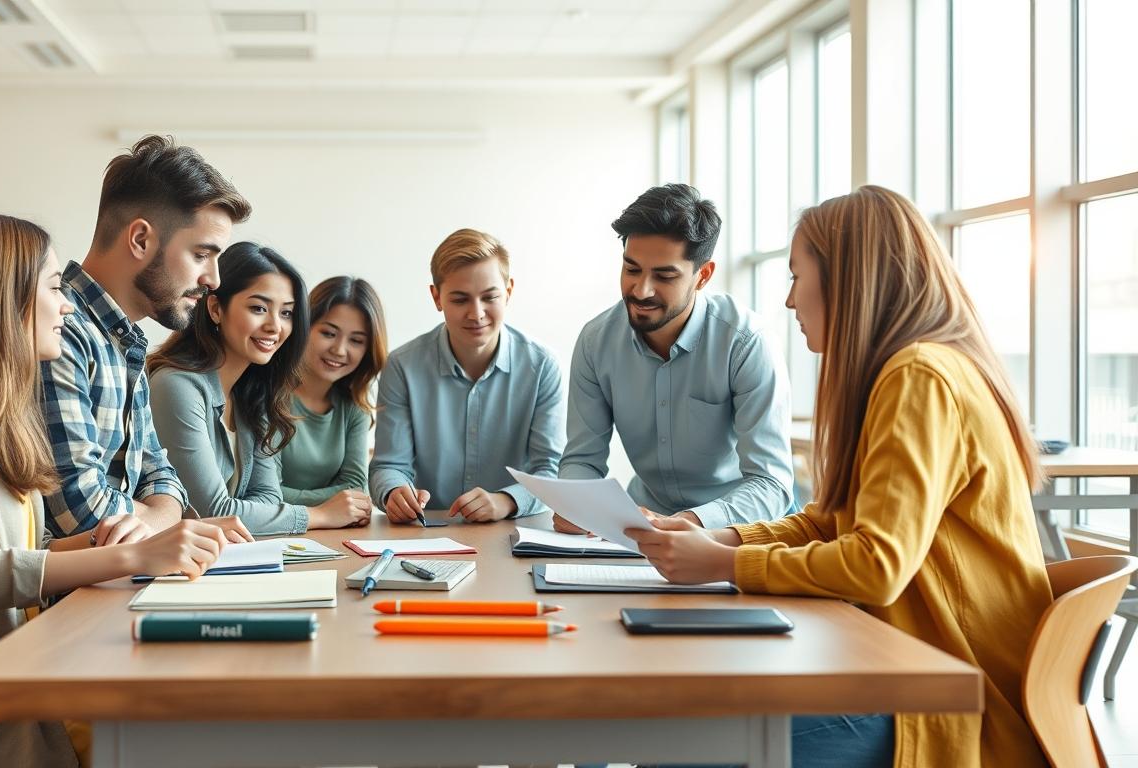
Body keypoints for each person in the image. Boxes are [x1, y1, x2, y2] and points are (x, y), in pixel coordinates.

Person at [627, 186, 1052, 767]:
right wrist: (722, 540)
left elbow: (876, 566)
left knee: (675, 743)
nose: (788, 300)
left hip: (942, 701)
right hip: (905, 669)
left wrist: (724, 564)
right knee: (676, 722)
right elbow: (833, 524)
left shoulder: (919, 378)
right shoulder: (915, 369)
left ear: (848, 281)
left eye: (798, 277)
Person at [0, 215, 230, 767]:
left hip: (17, 677)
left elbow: (16, 555)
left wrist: (126, 541)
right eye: (55, 288)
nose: (68, 306)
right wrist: (132, 554)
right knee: (197, 732)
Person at [42, 134, 252, 545]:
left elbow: (165, 482)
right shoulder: (57, 331)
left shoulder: (125, 340)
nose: (214, 280)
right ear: (140, 239)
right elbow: (81, 513)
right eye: (201, 255)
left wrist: (161, 517)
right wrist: (165, 520)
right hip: (74, 600)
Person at [556, 183, 792, 533]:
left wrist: (688, 522)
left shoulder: (747, 344)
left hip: (734, 531)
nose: (641, 290)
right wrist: (578, 502)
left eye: (664, 276)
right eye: (632, 269)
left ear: (703, 276)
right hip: (642, 529)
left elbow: (771, 485)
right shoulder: (596, 342)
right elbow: (582, 460)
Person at [149, 243, 372, 533]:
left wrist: (266, 513)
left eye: (286, 313)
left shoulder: (254, 393)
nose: (274, 326)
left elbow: (269, 497)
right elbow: (211, 512)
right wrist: (318, 516)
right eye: (258, 308)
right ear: (216, 308)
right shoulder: (177, 385)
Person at [371, 228, 564, 523]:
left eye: (489, 297)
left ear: (509, 292)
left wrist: (507, 500)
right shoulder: (402, 366)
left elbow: (549, 470)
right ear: (437, 297)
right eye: (460, 300)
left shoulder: (542, 367)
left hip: (513, 531)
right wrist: (394, 492)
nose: (476, 314)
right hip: (427, 532)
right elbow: (388, 465)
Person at [275, 276, 388, 515]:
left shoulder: (354, 407)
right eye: (328, 333)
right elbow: (266, 492)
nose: (339, 350)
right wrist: (330, 506)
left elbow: (357, 488)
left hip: (332, 535)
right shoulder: (269, 393)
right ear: (304, 327)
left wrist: (307, 503)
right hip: (267, 533)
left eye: (356, 341)